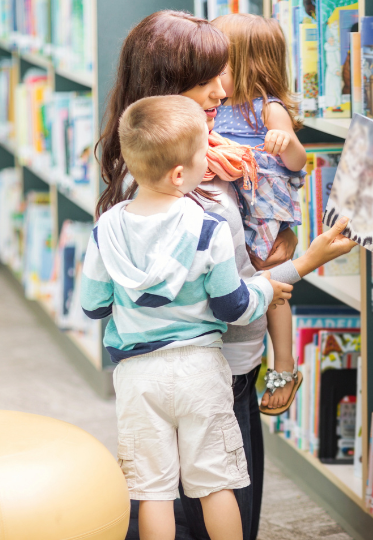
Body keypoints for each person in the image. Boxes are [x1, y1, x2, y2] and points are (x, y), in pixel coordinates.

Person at [96, 11, 356, 540]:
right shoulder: (195, 190)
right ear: (169, 87)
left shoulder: (159, 163)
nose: (223, 90)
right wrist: (306, 260)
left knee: (162, 495)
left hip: (180, 367)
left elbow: (98, 302)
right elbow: (232, 298)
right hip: (217, 369)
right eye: (208, 78)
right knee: (214, 502)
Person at [81, 95, 293, 540]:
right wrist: (266, 290)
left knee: (153, 490)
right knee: (216, 483)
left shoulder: (106, 229)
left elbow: (94, 306)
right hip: (200, 370)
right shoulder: (207, 228)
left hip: (138, 375)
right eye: (204, 154)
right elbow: (231, 307)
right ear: (180, 174)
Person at [209, 13, 307, 415]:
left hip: (263, 209)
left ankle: (284, 364)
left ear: (247, 65)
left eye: (219, 64)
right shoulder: (217, 103)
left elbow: (299, 162)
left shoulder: (268, 109)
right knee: (244, 282)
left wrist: (284, 143)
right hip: (236, 202)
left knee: (271, 287)